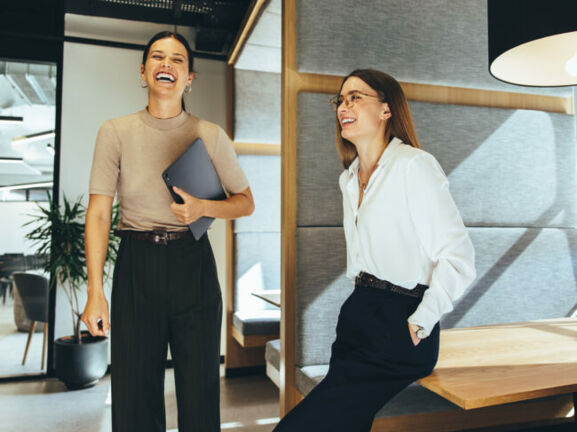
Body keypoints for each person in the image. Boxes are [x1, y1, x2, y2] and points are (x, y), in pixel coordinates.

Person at [273, 69, 476, 431]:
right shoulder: (348, 178)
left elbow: (458, 258)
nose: (343, 106)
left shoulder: (414, 166)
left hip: (402, 321)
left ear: (386, 110)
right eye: (340, 99)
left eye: (356, 97)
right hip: (358, 313)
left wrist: (421, 320)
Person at [81, 31, 254, 432]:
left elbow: (245, 201)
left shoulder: (209, 135)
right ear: (143, 71)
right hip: (137, 264)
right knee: (134, 393)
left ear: (189, 77)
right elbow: (99, 214)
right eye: (157, 57)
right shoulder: (115, 131)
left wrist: (202, 208)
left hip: (193, 262)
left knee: (199, 391)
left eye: (177, 60)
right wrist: (95, 292)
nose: (166, 64)